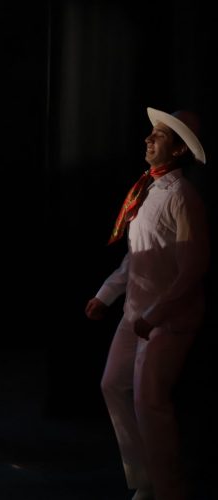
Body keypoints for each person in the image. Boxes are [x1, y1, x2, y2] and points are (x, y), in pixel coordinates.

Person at [85, 108, 209, 500]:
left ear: (178, 150)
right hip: (136, 313)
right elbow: (137, 257)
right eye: (151, 133)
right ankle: (145, 478)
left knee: (150, 402)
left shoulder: (181, 197)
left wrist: (156, 314)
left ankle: (170, 489)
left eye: (159, 136)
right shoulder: (148, 190)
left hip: (167, 320)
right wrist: (106, 294)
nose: (148, 139)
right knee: (112, 384)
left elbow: (193, 267)